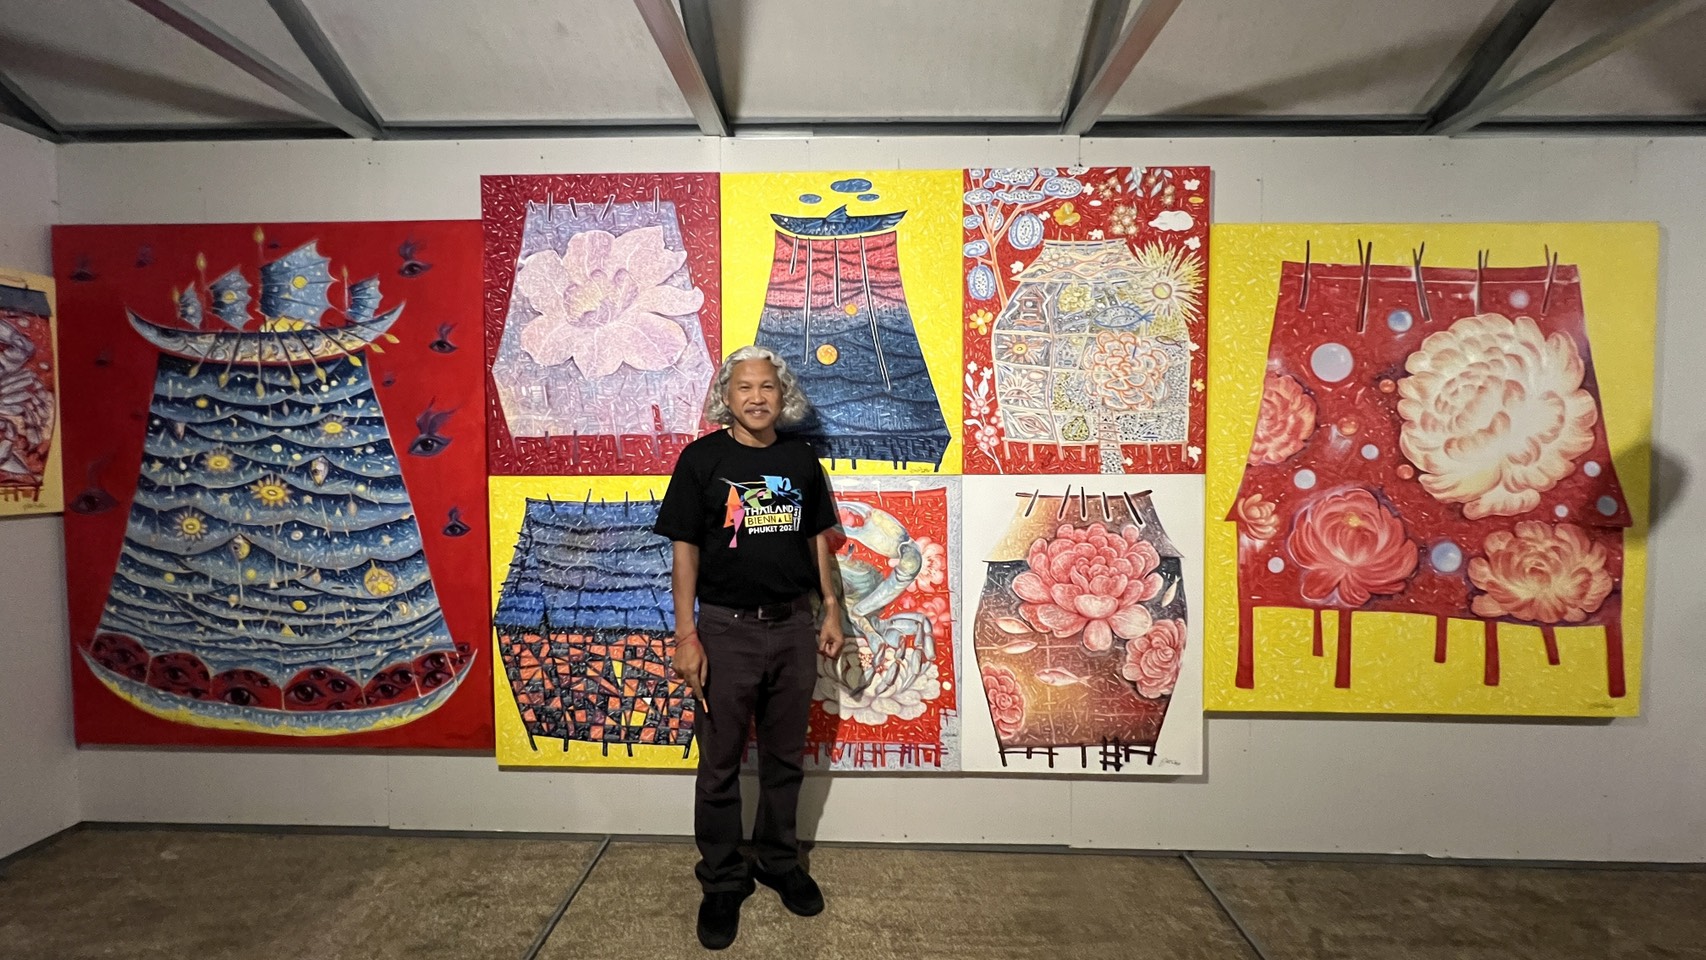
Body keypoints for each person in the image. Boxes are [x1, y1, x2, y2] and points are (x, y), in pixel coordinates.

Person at [652, 344, 845, 951]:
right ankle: (721, 879)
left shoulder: (801, 459)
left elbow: (817, 538)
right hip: (725, 631)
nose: (756, 397)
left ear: (782, 396)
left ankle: (778, 861)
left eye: (767, 387)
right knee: (719, 765)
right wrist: (687, 635)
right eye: (744, 387)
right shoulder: (701, 460)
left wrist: (830, 606)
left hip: (792, 629)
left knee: (786, 758)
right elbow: (684, 552)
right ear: (726, 397)